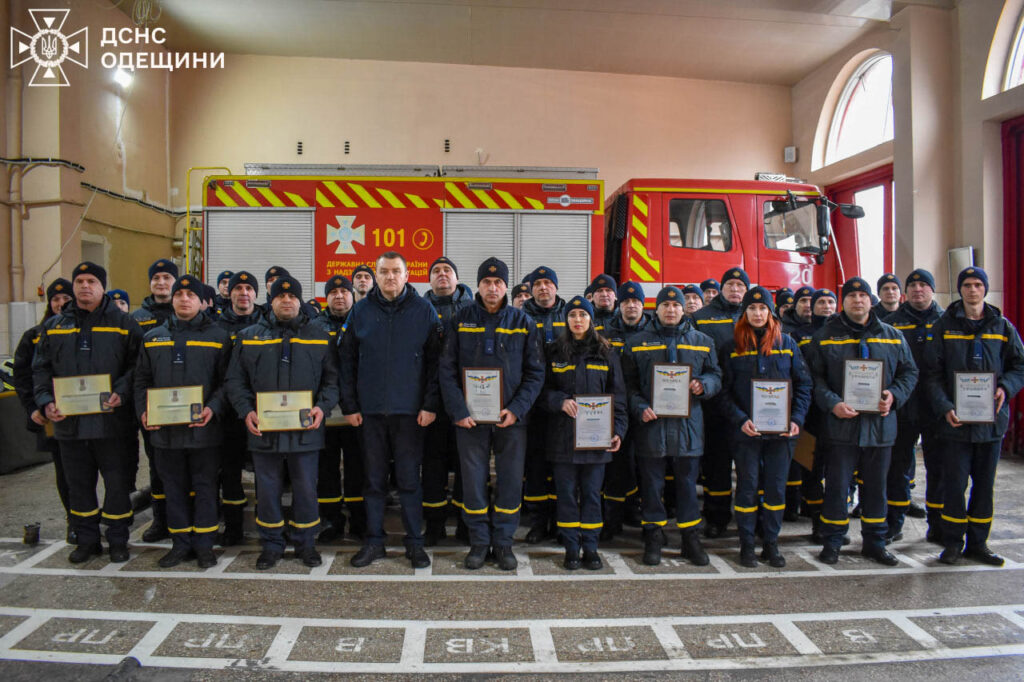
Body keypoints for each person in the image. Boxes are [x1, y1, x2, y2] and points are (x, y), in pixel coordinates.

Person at [32, 262, 143, 563]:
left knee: (116, 485)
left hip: (112, 424)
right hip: (70, 425)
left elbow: (137, 367)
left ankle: (118, 539)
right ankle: (87, 540)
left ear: (102, 286)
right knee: (78, 485)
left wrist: (121, 391)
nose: (84, 286)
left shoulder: (123, 323)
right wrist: (44, 401)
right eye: (79, 281)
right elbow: (40, 368)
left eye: (91, 281)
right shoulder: (55, 326)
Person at [225, 275, 339, 569]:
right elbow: (235, 381)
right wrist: (245, 410)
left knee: (305, 489)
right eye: (280, 297)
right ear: (271, 300)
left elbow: (332, 381)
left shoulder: (319, 336)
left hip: (306, 431)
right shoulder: (249, 336)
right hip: (264, 430)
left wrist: (322, 408)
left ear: (300, 301)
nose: (286, 301)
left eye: (292, 297)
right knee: (267, 489)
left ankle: (306, 544)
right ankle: (272, 545)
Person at [439, 257, 545, 570]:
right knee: (472, 481)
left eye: (499, 283)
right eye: (487, 282)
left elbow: (535, 373)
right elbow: (446, 370)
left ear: (507, 287)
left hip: (511, 420)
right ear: (478, 284)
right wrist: (458, 410)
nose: (493, 287)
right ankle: (479, 543)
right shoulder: (461, 319)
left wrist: (517, 409)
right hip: (469, 420)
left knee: (510, 481)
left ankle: (503, 544)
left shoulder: (522, 322)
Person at [805, 277, 918, 566]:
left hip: (880, 428)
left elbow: (909, 373)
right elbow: (813, 379)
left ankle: (875, 542)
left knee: (876, 488)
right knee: (837, 487)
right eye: (852, 296)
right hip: (841, 427)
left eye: (863, 295)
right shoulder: (826, 335)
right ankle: (832, 542)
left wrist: (893, 395)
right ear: (843, 302)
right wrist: (833, 403)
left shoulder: (892, 336)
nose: (858, 300)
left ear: (871, 301)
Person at [340, 252, 442, 569]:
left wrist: (429, 404)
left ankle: (414, 543)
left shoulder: (424, 311)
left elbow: (436, 365)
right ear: (376, 275)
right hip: (369, 413)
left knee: (410, 481)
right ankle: (374, 542)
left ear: (407, 274)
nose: (390, 277)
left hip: (410, 413)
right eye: (383, 272)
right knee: (373, 482)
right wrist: (350, 405)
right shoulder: (360, 311)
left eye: (396, 271)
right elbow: (346, 363)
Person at [924, 267, 1024, 566]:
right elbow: (931, 374)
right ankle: (953, 542)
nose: (972, 290)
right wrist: (945, 407)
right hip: (954, 423)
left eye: (978, 284)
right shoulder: (944, 326)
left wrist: (1005, 388)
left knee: (984, 484)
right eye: (967, 285)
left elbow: (1019, 366)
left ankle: (979, 543)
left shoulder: (1002, 327)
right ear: (960, 290)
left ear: (986, 289)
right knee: (954, 484)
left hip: (991, 425)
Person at [134, 275, 231, 568]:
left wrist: (213, 408)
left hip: (204, 430)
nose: (184, 299)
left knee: (204, 487)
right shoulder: (153, 338)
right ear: (173, 300)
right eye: (179, 294)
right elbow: (141, 380)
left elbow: (228, 382)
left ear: (202, 301)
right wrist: (144, 411)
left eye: (191, 295)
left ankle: (204, 545)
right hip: (165, 432)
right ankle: (180, 544)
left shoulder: (218, 337)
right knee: (173, 488)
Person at [622, 286, 722, 566]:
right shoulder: (638, 342)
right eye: (665, 305)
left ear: (683, 309)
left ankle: (691, 539)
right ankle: (653, 537)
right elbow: (627, 386)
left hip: (688, 427)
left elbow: (716, 374)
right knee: (651, 486)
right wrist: (640, 407)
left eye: (675, 305)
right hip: (651, 427)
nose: (670, 310)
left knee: (687, 486)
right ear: (657, 309)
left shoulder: (703, 341)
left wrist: (704, 385)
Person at [717, 287, 812, 567]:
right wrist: (739, 419)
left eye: (762, 309)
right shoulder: (731, 346)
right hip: (745, 432)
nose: (757, 314)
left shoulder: (787, 344)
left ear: (770, 312)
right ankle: (747, 544)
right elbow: (723, 392)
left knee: (775, 489)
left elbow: (805, 385)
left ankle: (771, 543)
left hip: (782, 434)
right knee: (747, 488)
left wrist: (796, 420)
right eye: (752, 309)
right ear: (744, 312)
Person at [541, 296, 627, 570]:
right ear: (566, 320)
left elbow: (619, 398)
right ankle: (570, 547)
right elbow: (540, 392)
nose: (578, 320)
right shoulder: (553, 352)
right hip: (562, 440)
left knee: (591, 494)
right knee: (565, 494)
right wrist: (559, 402)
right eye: (573, 315)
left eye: (583, 315)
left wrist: (619, 432)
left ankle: (590, 547)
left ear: (591, 319)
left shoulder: (607, 353)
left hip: (596, 441)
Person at [12, 279, 74, 541]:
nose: (61, 304)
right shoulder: (35, 335)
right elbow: (24, 375)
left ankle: (91, 517)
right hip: (53, 415)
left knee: (85, 470)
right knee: (64, 469)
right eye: (56, 299)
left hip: (88, 414)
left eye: (65, 299)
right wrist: (34, 406)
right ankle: (74, 519)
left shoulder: (87, 330)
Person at [884, 269, 943, 541]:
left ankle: (937, 525)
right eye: (913, 285)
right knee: (897, 468)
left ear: (933, 290)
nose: (918, 289)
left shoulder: (947, 322)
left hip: (938, 409)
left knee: (939, 468)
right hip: (902, 406)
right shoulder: (891, 324)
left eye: (924, 284)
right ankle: (894, 524)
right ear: (906, 292)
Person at [692, 267, 749, 537]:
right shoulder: (701, 318)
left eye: (741, 285)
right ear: (721, 288)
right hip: (713, 403)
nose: (736, 289)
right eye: (731, 285)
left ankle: (749, 517)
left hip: (749, 404)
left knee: (749, 464)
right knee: (717, 464)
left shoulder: (757, 316)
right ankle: (716, 516)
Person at [422, 257, 475, 544]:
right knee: (432, 467)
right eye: (436, 271)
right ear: (429, 280)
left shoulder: (473, 310)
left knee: (468, 467)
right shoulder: (418, 309)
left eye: (447, 271)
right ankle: (434, 525)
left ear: (457, 278)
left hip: (467, 404)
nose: (442, 275)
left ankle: (466, 524)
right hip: (430, 406)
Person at [214, 271, 265, 545]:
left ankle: (265, 522)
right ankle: (233, 526)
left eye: (248, 288)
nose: (243, 292)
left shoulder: (267, 325)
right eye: (238, 288)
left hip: (262, 412)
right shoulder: (215, 328)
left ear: (256, 294)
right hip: (228, 414)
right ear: (229, 293)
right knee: (230, 471)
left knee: (264, 470)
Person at [598, 281, 651, 538]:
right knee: (617, 466)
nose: (631, 306)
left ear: (643, 305)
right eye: (627, 302)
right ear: (620, 305)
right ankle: (612, 519)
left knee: (643, 466)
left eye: (636, 302)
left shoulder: (654, 332)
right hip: (617, 410)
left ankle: (634, 510)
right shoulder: (606, 335)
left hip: (646, 411)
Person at [310, 275, 359, 543]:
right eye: (334, 292)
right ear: (325, 298)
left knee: (357, 469)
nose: (339, 296)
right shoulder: (314, 327)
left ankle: (360, 520)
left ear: (352, 295)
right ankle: (331, 521)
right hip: (325, 413)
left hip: (356, 412)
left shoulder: (362, 322)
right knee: (326, 471)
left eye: (344, 291)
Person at [132, 259, 179, 542]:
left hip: (187, 408)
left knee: (190, 468)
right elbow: (134, 369)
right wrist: (142, 410)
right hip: (155, 410)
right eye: (156, 278)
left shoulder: (187, 312)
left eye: (167, 278)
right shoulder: (136, 319)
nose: (161, 283)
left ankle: (189, 519)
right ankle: (160, 521)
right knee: (158, 468)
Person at [521, 265, 568, 543]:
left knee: (562, 467)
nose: (542, 288)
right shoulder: (520, 316)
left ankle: (563, 522)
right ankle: (538, 523)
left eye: (547, 283)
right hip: (532, 402)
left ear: (556, 287)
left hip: (563, 404)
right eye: (537, 284)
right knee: (535, 466)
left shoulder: (571, 314)